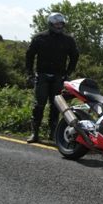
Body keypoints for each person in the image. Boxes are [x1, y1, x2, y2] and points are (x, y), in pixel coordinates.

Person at [25, 12, 79, 143]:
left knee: (56, 106)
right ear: (50, 24)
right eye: (56, 24)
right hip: (42, 76)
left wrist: (68, 73)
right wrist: (29, 73)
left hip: (58, 78)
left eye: (61, 24)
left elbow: (75, 56)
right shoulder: (40, 38)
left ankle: (53, 133)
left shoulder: (68, 40)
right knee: (39, 105)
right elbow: (29, 54)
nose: (59, 26)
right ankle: (35, 133)